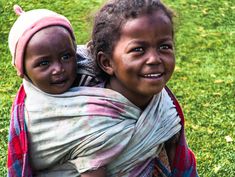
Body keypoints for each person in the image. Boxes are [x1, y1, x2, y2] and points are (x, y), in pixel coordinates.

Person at [88, 0, 198, 176]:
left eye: (165, 47)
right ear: (107, 62)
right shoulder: (92, 121)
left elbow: (179, 164)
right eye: (138, 49)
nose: (154, 59)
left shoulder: (165, 105)